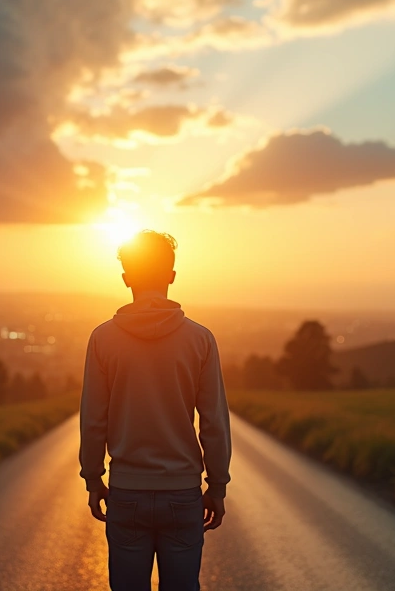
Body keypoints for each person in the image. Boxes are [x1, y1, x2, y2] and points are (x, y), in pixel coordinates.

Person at [79, 230, 232, 591]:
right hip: (182, 493)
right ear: (172, 275)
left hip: (126, 492)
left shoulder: (102, 338)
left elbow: (93, 420)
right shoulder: (200, 339)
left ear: (126, 278)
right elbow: (213, 423)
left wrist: (93, 479)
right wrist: (217, 486)